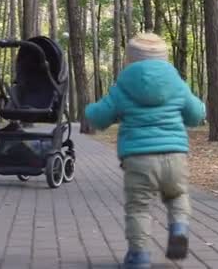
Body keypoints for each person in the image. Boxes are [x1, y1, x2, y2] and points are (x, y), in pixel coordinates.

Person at [85, 33, 206, 269]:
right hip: (174, 155)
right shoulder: (177, 83)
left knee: (138, 207)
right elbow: (195, 115)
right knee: (177, 195)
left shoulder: (122, 86)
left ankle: (139, 257)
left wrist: (89, 112)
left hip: (138, 158)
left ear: (130, 60)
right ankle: (179, 227)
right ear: (164, 58)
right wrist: (201, 108)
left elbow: (100, 116)